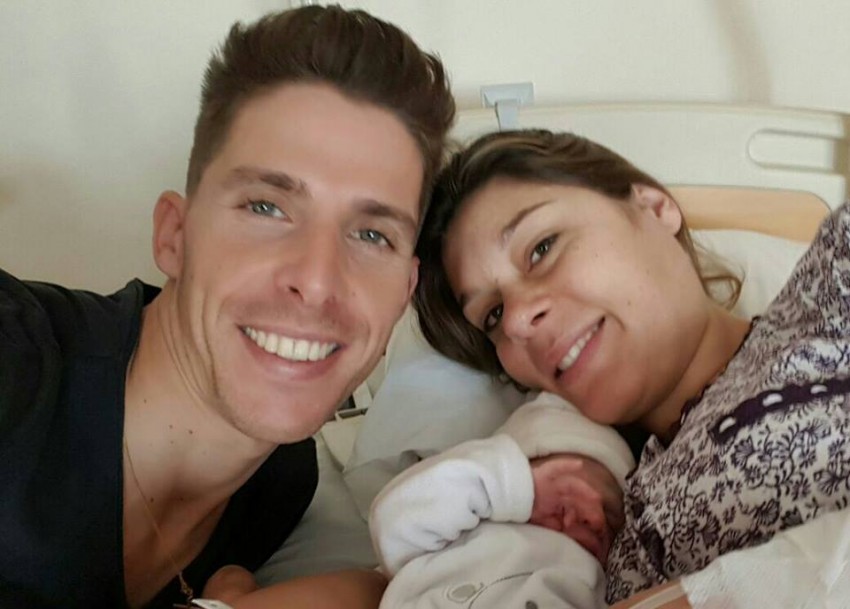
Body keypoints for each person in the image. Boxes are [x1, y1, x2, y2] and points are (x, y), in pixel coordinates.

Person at [0, 5, 454, 608]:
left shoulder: (282, 485)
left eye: (373, 235)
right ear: (175, 236)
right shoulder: (17, 364)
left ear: (405, 291)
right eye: (266, 207)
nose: (317, 281)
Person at [412, 129, 850, 607]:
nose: (516, 320)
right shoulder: (606, 540)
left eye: (542, 248)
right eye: (492, 315)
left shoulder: (829, 287)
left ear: (654, 208)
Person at [369, 391, 634, 609]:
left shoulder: (594, 578)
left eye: (611, 519)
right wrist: (511, 485)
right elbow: (394, 522)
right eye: (565, 503)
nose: (595, 517)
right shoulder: (464, 527)